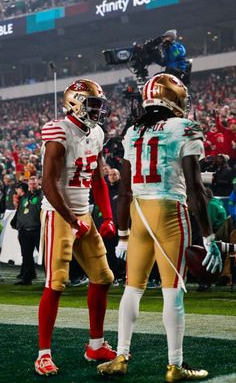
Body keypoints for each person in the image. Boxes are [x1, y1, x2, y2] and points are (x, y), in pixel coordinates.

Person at [97, 73, 222, 381]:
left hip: (138, 214)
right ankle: (174, 365)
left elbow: (123, 192)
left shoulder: (132, 131)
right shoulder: (184, 127)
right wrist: (209, 237)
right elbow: (194, 188)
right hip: (169, 212)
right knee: (173, 291)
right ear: (174, 98)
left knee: (132, 288)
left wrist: (124, 235)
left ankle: (121, 355)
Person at [35, 79, 117, 376]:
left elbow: (97, 179)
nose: (97, 110)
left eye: (99, 104)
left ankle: (95, 344)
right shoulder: (58, 129)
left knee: (103, 277)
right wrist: (71, 221)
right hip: (58, 214)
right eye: (92, 104)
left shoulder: (97, 133)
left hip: (83, 213)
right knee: (56, 283)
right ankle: (43, 354)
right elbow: (47, 183)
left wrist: (107, 217)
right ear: (75, 102)